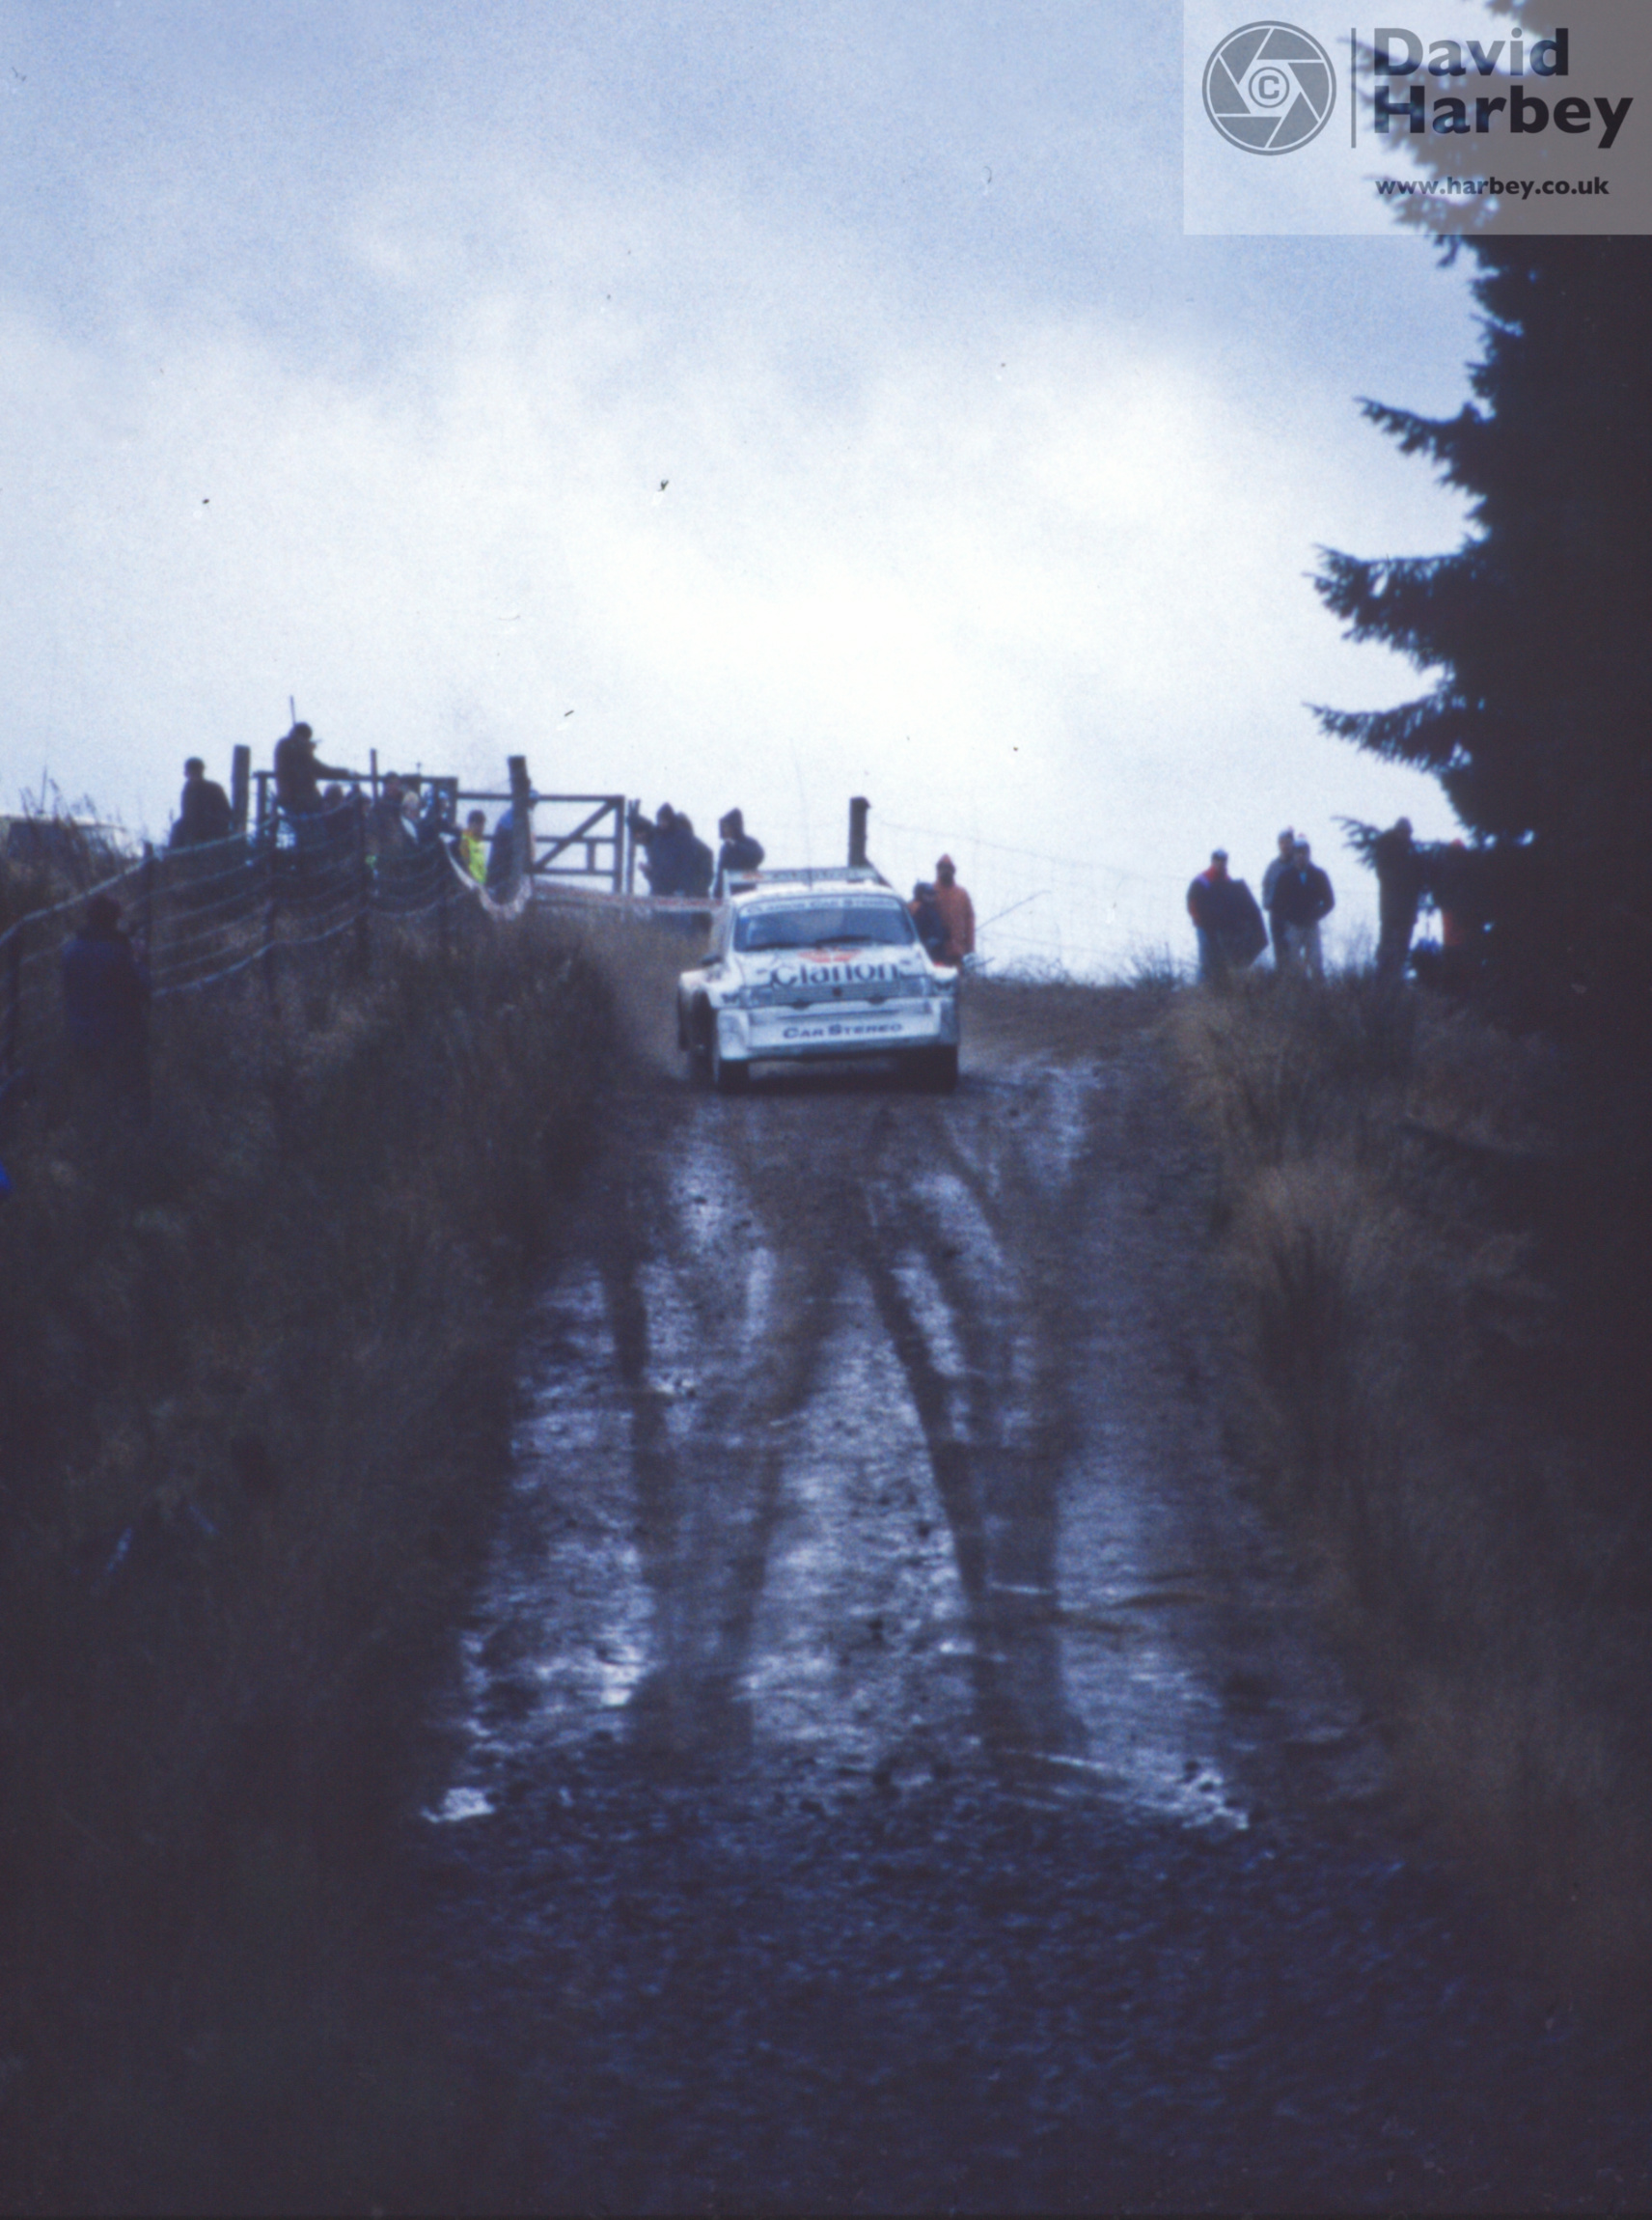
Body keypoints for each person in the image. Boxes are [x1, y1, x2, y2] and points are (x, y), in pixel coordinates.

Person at [61, 893, 151, 1124]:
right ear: (113, 920)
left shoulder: (70, 951)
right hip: (117, 1039)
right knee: (123, 1099)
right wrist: (139, 960)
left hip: (78, 1035)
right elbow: (142, 991)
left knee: (90, 1096)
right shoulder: (118, 954)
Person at [1186, 849, 1267, 982]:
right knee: (1206, 959)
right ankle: (1202, 988)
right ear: (1212, 861)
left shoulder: (1227, 881)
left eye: (1223, 861)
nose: (1220, 863)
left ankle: (1218, 989)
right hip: (1204, 927)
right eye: (1217, 860)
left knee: (1219, 959)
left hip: (1220, 929)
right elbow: (1191, 901)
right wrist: (1197, 919)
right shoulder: (1202, 880)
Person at [1274, 838, 1335, 979]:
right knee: (1294, 966)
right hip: (1293, 926)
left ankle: (1318, 996)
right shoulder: (1285, 877)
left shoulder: (1318, 875)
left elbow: (1330, 901)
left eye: (1304, 853)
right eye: (1297, 853)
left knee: (1316, 963)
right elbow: (1276, 903)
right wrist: (1288, 916)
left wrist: (1317, 915)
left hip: (1312, 926)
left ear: (1309, 854)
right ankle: (1298, 996)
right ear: (1293, 855)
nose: (1301, 856)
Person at [1372, 816, 1421, 985]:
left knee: (1402, 952)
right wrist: (1404, 880)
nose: (1405, 836)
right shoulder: (1387, 849)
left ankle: (1396, 985)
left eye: (1407, 833)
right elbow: (1383, 875)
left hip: (1407, 912)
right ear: (1397, 832)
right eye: (1402, 832)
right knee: (1386, 951)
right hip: (1391, 911)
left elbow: (1419, 880)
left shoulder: (1413, 852)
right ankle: (1379, 985)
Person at [272, 722, 349, 825]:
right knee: (320, 828)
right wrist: (346, 773)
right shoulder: (297, 750)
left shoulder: (287, 748)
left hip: (291, 798)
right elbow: (320, 770)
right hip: (300, 800)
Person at [171, 758, 233, 847]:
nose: (193, 776)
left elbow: (226, 813)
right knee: (177, 827)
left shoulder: (213, 788)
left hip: (212, 828)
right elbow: (187, 814)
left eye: (196, 772)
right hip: (193, 829)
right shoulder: (188, 790)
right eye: (191, 772)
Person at [1261, 827, 1296, 967]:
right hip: (1276, 915)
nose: (1285, 846)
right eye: (1282, 842)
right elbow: (1266, 886)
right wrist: (1267, 903)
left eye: (1288, 842)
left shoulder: (1298, 864)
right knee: (1280, 952)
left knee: (1294, 953)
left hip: (1294, 916)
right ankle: (1282, 983)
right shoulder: (1273, 866)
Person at [930, 855, 976, 965]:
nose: (946, 871)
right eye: (943, 868)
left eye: (948, 868)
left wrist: (970, 949)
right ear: (938, 870)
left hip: (957, 952)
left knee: (956, 980)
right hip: (936, 952)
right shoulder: (930, 891)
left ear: (953, 871)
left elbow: (970, 922)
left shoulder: (962, 894)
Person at [717, 808, 764, 879]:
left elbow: (758, 857)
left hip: (748, 887)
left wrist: (736, 846)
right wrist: (718, 889)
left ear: (734, 827)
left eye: (726, 827)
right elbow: (721, 873)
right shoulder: (725, 848)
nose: (724, 830)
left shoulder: (750, 843)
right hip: (730, 888)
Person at [910, 880, 947, 960]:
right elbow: (918, 930)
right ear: (921, 895)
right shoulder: (920, 910)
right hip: (928, 952)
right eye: (928, 894)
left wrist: (944, 933)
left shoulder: (930, 909)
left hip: (935, 949)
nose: (932, 897)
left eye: (933, 894)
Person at [455, 809, 489, 887]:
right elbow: (465, 865)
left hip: (480, 884)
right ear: (470, 824)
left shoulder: (479, 842)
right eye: (478, 824)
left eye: (482, 825)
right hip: (468, 884)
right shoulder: (465, 841)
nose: (481, 828)